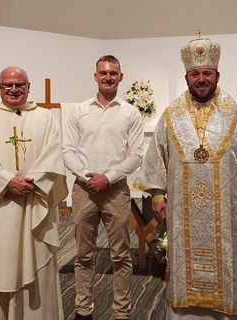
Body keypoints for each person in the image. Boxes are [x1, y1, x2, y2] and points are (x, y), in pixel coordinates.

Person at [133, 37, 237, 320]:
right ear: (186, 77)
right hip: (184, 212)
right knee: (183, 265)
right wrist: (158, 195)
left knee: (229, 262)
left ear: (217, 75)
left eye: (206, 73)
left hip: (227, 210)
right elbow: (157, 154)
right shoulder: (172, 115)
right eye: (195, 74)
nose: (201, 79)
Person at [0, 66, 68, 319]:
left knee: (36, 262)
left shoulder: (45, 119)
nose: (14, 89)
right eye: (7, 85)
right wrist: (7, 182)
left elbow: (53, 158)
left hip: (32, 205)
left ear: (29, 87)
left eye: (20, 85)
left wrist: (29, 184)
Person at [62, 55, 144, 320]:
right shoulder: (79, 111)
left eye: (113, 73)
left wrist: (107, 178)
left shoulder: (130, 112)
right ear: (95, 76)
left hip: (116, 190)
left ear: (121, 77)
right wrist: (88, 178)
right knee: (83, 255)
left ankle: (121, 311)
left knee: (120, 255)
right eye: (103, 73)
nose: (108, 77)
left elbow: (136, 154)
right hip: (84, 190)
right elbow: (68, 151)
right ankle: (83, 310)